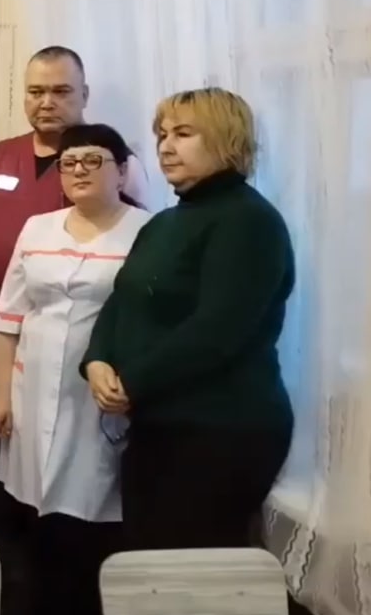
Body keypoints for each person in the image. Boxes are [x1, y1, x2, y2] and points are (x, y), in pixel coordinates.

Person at [82, 88, 294, 552]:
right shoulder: (164, 222)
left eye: (182, 134)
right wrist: (96, 360)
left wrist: (131, 381)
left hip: (222, 430)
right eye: (162, 135)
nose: (165, 146)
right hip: (160, 425)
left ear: (225, 139)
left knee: (191, 570)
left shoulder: (249, 220)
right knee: (152, 563)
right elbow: (122, 300)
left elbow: (217, 330)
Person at [0, 46, 146, 556]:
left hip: (84, 363)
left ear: (84, 95)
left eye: (61, 91)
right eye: (36, 91)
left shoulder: (115, 162)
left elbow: (143, 250)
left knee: (77, 486)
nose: (47, 102)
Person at [0, 123, 150, 615]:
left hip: (99, 394)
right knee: (36, 513)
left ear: (121, 171)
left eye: (93, 160)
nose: (79, 171)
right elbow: (9, 316)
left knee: (95, 513)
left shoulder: (146, 231)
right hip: (32, 390)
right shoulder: (38, 228)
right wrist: (0, 394)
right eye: (68, 163)